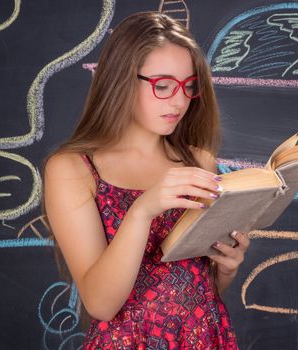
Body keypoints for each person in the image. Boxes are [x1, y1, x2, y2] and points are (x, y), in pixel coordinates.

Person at [42, 11, 250, 349]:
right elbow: (101, 303)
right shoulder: (73, 169)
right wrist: (143, 210)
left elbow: (194, 292)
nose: (180, 101)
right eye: (163, 85)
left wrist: (226, 269)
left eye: (188, 86)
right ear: (121, 80)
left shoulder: (197, 160)